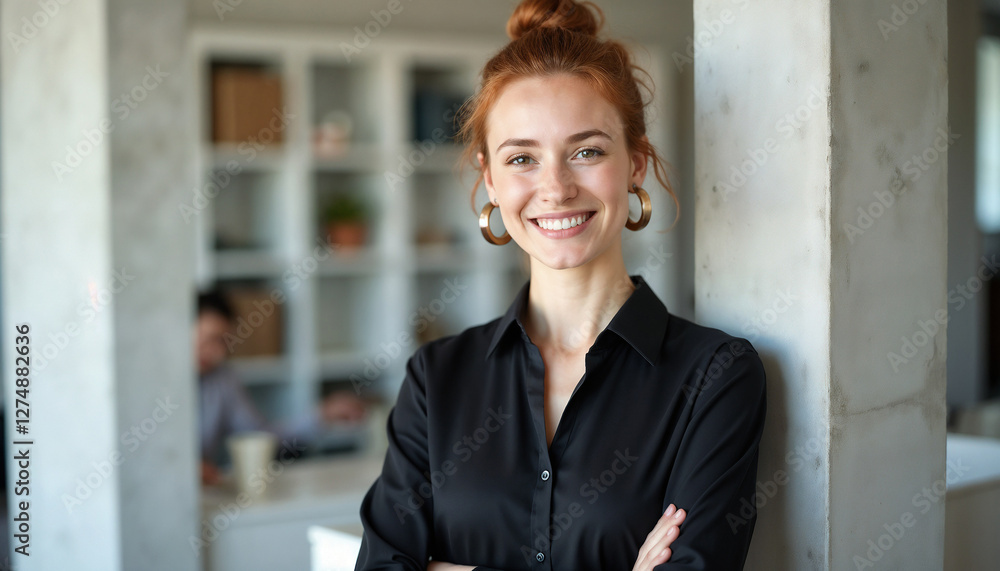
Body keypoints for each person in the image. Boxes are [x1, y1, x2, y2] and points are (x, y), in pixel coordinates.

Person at [354, 0, 767, 569]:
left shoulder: (715, 376)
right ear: (490, 181)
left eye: (587, 151)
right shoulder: (437, 378)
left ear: (636, 163)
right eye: (522, 158)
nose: (555, 187)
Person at [196, 289, 367, 485]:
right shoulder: (155, 382)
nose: (217, 354)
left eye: (225, 344)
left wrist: (322, 415)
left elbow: (261, 438)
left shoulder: (222, 379)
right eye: (210, 340)